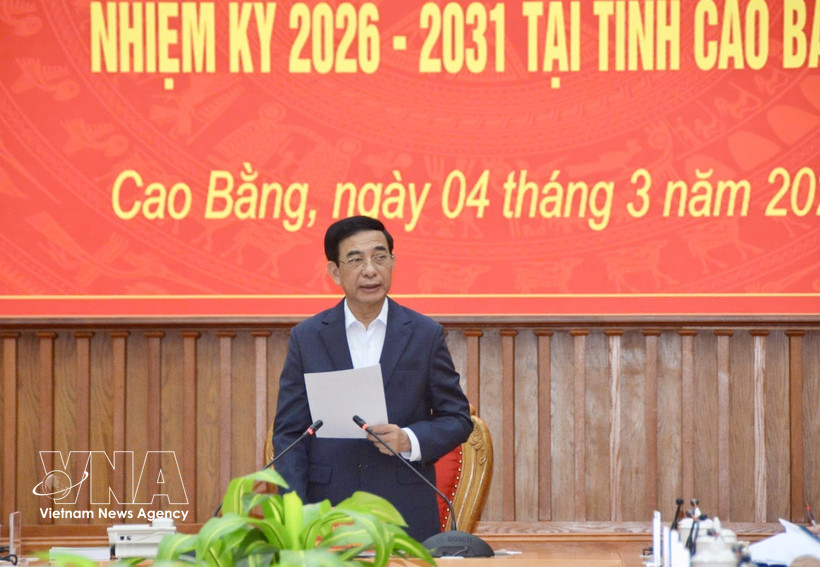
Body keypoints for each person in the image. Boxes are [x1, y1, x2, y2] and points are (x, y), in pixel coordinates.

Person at [272, 215, 473, 542]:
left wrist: (408, 439)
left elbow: (458, 419)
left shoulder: (424, 334)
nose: (370, 269)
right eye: (355, 259)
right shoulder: (307, 338)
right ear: (335, 272)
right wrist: (295, 513)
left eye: (380, 257)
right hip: (326, 513)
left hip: (404, 512)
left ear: (393, 263)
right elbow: (291, 433)